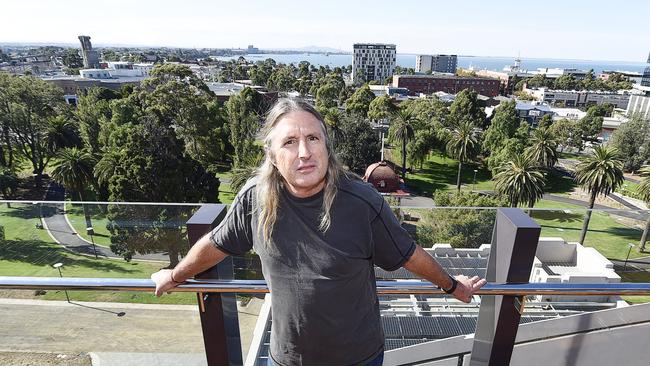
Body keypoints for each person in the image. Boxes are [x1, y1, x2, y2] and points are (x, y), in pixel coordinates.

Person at [151, 98, 486, 366]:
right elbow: (218, 243)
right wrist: (175, 275)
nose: (304, 152)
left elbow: (408, 254)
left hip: (358, 358)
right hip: (287, 357)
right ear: (272, 154)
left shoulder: (361, 201)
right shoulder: (256, 198)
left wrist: (453, 286)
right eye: (290, 142)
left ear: (327, 146)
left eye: (313, 138)